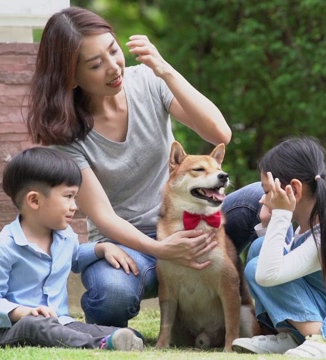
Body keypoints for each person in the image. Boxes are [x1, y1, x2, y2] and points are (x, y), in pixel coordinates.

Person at [24, 6, 263, 327]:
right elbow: (104, 216)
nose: (113, 67)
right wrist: (163, 249)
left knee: (261, 198)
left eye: (113, 50)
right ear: (71, 76)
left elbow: (220, 133)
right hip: (129, 247)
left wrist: (164, 70)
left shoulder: (149, 82)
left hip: (189, 224)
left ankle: (269, 321)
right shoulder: (65, 135)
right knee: (112, 295)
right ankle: (109, 322)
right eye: (96, 64)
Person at [0, 147, 144, 351]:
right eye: (68, 196)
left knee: (123, 333)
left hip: (60, 321)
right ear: (34, 200)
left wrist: (102, 248)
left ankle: (116, 338)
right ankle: (98, 345)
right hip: (12, 328)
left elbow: (75, 258)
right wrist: (23, 312)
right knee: (34, 325)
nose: (74, 206)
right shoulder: (2, 247)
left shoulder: (65, 237)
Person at [231, 137, 326, 358]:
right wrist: (269, 225)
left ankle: (324, 341)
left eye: (267, 192)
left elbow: (266, 274)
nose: (262, 201)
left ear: (293, 189)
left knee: (258, 266)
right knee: (260, 247)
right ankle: (291, 337)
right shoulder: (305, 230)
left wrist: (281, 214)